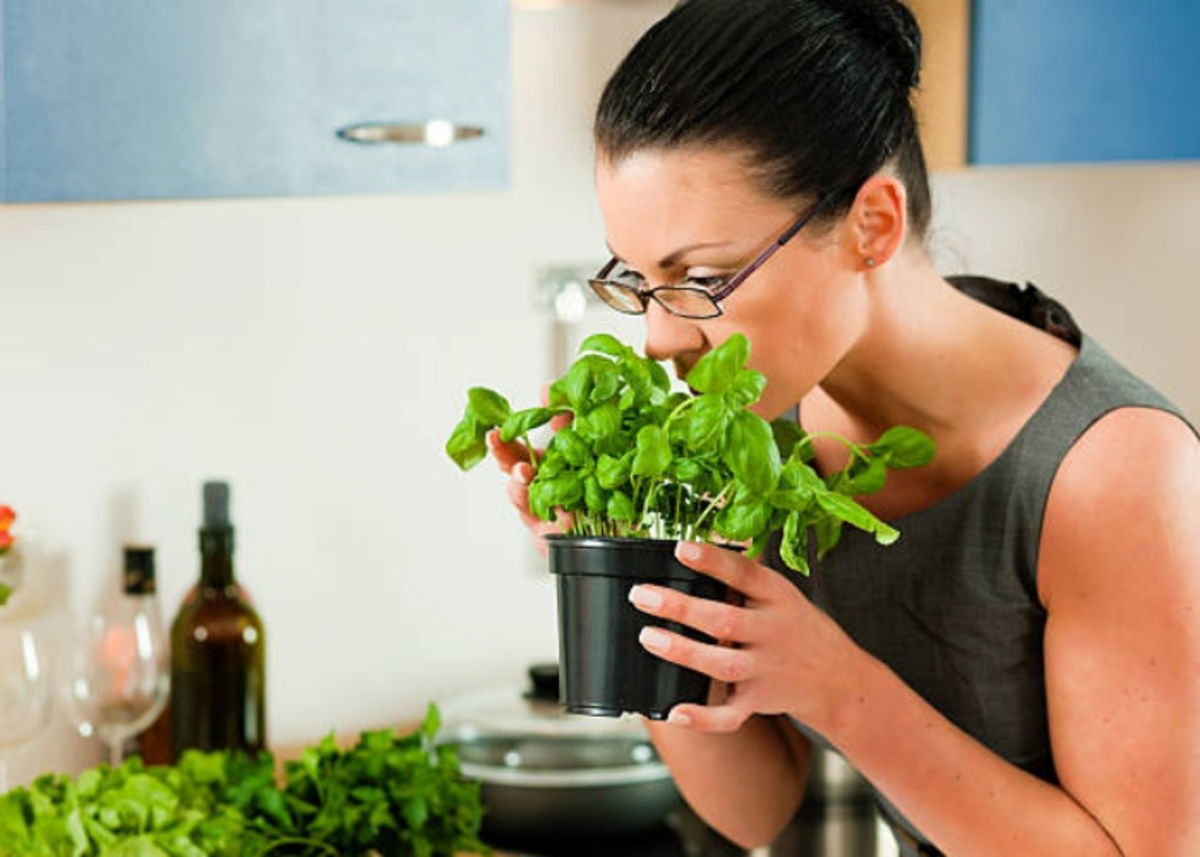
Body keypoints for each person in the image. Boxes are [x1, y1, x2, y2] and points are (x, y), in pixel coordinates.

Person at [487, 0, 1200, 853]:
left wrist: (843, 690)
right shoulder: (758, 416)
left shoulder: (1116, 472)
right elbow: (759, 805)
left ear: (873, 224)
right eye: (638, 278)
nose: (662, 337)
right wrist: (624, 593)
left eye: (703, 277)